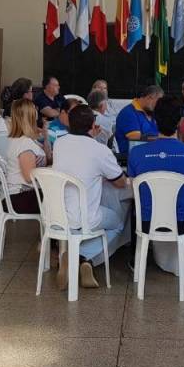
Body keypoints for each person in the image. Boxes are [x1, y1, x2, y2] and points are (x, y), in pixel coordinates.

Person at [129, 96, 184, 275]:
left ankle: (137, 259)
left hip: (147, 222)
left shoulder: (135, 153)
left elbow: (135, 195)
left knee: (136, 204)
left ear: (155, 120)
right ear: (180, 122)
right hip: (182, 223)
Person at [52, 105, 128, 290]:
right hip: (84, 218)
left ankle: (73, 257)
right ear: (93, 125)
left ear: (69, 123)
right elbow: (120, 183)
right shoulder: (99, 150)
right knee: (118, 222)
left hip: (57, 215)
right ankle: (83, 257)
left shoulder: (59, 144)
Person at [3, 99, 51, 214]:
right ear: (31, 115)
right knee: (62, 197)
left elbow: (48, 157)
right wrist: (48, 170)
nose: (36, 110)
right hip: (20, 198)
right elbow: (29, 177)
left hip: (21, 195)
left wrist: (46, 136)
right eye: (34, 108)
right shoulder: (25, 143)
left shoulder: (23, 139)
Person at [114, 84, 162, 153]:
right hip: (132, 156)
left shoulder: (152, 112)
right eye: (157, 103)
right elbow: (136, 140)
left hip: (151, 153)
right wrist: (163, 139)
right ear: (150, 98)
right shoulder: (128, 113)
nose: (158, 106)